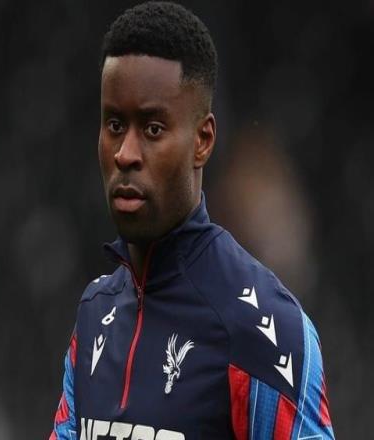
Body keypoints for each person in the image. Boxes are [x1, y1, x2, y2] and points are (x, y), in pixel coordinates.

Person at [50, 2, 334, 439]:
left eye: (153, 129)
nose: (125, 153)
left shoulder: (264, 330)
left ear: (202, 140)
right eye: (114, 125)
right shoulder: (94, 313)